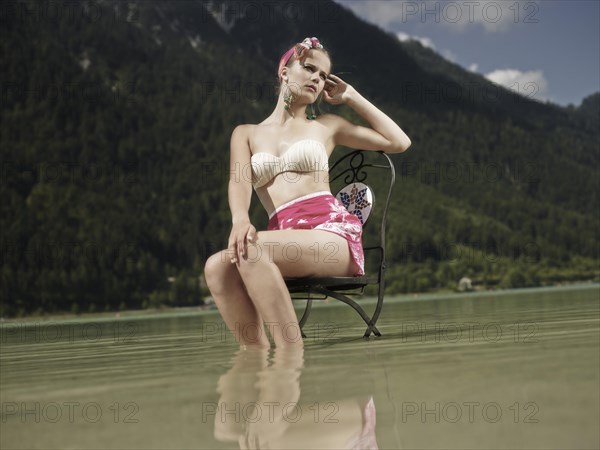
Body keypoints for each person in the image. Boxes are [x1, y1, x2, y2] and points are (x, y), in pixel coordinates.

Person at [203, 37, 411, 349]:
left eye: (324, 75)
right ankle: (255, 359)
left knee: (252, 250)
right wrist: (239, 219)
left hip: (331, 237)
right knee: (216, 267)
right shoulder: (246, 134)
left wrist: (351, 97)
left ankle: (290, 357)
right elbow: (239, 181)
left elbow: (399, 142)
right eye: (309, 68)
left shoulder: (327, 126)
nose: (317, 78)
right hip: (283, 240)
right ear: (284, 72)